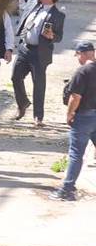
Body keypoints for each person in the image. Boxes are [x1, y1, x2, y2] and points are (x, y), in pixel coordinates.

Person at [11, 0, 66, 125]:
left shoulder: (58, 15)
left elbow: (59, 37)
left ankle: (38, 116)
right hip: (24, 48)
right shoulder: (33, 5)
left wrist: (52, 35)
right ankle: (22, 103)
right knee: (15, 77)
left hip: (40, 53)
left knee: (39, 85)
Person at [51, 42, 96, 201]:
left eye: (77, 55)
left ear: (82, 54)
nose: (77, 58)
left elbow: (75, 97)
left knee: (76, 154)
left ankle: (67, 190)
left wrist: (69, 114)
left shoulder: (82, 72)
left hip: (83, 117)